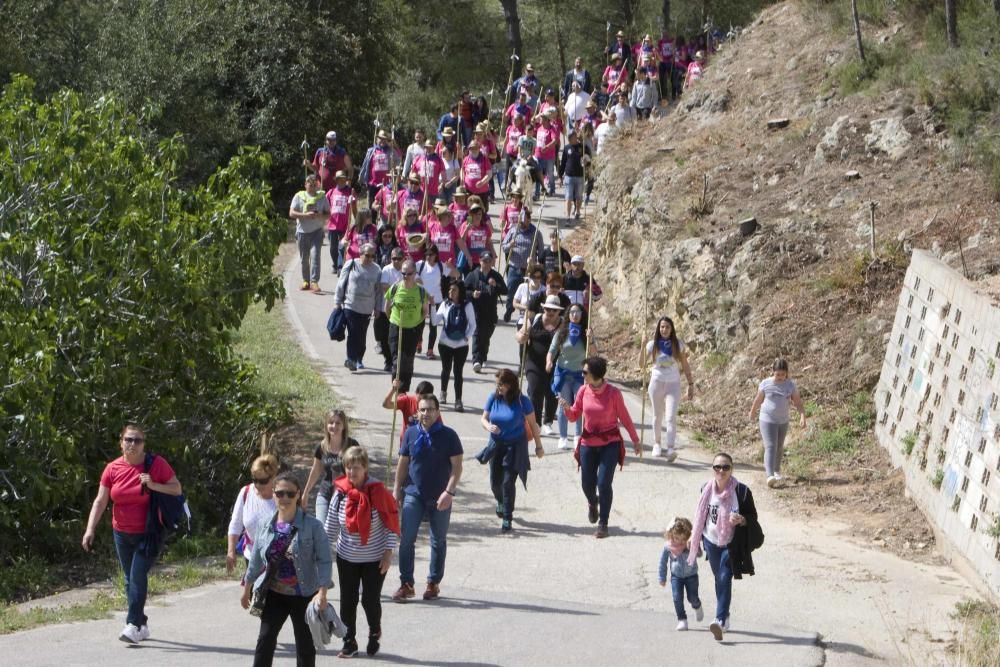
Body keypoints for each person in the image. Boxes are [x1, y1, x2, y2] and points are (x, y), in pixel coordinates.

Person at [82, 424, 183, 643]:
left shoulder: (156, 464)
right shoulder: (112, 468)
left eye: (137, 440)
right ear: (121, 442)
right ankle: (142, 623)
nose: (132, 444)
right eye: (128, 439)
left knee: (137, 576)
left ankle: (133, 624)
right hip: (121, 532)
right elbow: (101, 501)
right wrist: (90, 529)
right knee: (129, 580)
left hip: (149, 532)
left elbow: (177, 489)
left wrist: (154, 484)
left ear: (144, 444)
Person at [242, 472, 332, 667]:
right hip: (275, 594)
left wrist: (322, 593)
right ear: (273, 494)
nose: (285, 498)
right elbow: (256, 559)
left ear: (298, 495)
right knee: (265, 640)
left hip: (305, 594)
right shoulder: (266, 524)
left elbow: (324, 561)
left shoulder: (313, 526)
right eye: (280, 493)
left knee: (305, 646)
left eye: (290, 494)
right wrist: (247, 587)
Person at [324, 446, 399, 658]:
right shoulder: (339, 494)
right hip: (347, 556)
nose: (351, 472)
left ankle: (374, 631)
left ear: (365, 468)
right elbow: (330, 528)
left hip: (374, 558)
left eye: (356, 467)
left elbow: (392, 523)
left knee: (369, 599)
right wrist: (320, 553)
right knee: (348, 600)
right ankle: (350, 641)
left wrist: (388, 553)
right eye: (348, 468)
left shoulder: (378, 492)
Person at [392, 395, 463, 602]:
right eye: (422, 410)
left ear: (438, 412)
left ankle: (433, 582)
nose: (426, 413)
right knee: (406, 539)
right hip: (414, 493)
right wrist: (396, 489)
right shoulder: (411, 433)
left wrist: (449, 492)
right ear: (417, 412)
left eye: (430, 409)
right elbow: (403, 464)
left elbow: (457, 467)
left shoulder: (449, 436)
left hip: (440, 495)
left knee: (438, 540)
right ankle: (407, 583)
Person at [559, 356, 640, 538]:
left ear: (596, 374)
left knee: (604, 483)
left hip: (610, 443)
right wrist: (566, 408)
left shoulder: (613, 393)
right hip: (588, 442)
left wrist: (635, 440)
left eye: (585, 372)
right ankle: (592, 502)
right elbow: (574, 416)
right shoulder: (583, 391)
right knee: (587, 484)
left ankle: (603, 523)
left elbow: (625, 418)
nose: (582, 375)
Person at [688, 453, 760, 641]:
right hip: (711, 541)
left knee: (723, 576)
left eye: (725, 467)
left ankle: (719, 620)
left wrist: (742, 519)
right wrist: (692, 537)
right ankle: (725, 615)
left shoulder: (742, 492)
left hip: (731, 543)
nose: (721, 471)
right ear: (712, 469)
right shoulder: (706, 489)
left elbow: (753, 517)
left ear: (732, 469)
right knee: (719, 579)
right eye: (717, 467)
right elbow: (700, 517)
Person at [479, 368, 544, 533]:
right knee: (495, 482)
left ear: (510, 385)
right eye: (497, 384)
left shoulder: (523, 402)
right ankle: (500, 501)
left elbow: (533, 425)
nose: (498, 388)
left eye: (501, 385)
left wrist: (538, 446)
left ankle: (507, 517)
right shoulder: (493, 398)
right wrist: (488, 426)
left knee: (508, 482)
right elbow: (483, 418)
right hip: (496, 444)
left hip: (515, 446)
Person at [643, 316, 695, 460]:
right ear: (658, 329)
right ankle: (657, 444)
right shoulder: (652, 345)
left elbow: (685, 365)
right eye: (662, 327)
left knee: (671, 416)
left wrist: (690, 384)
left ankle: (671, 448)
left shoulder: (678, 345)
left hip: (673, 384)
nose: (664, 329)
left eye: (667, 327)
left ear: (671, 329)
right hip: (656, 383)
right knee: (657, 415)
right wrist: (642, 346)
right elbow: (641, 364)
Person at [749, 358, 806, 488]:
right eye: (777, 374)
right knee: (770, 446)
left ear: (786, 373)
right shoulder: (766, 384)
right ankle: (770, 475)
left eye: (782, 374)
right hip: (767, 418)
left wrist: (802, 415)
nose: (780, 377)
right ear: (773, 372)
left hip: (783, 420)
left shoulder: (790, 385)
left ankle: (776, 470)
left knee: (779, 446)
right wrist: (752, 412)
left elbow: (797, 402)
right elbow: (758, 400)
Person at [302, 409, 360, 524]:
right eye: (331, 422)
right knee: (322, 529)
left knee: (345, 533)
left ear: (344, 426)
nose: (334, 426)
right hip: (325, 493)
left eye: (338, 423)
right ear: (326, 425)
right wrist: (306, 492)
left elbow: (361, 470)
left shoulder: (352, 445)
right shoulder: (322, 447)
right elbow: (316, 470)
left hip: (346, 496)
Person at [516, 294, 563, 436]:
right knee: (535, 390)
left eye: (553, 310)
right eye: (548, 309)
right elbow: (519, 335)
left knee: (552, 392)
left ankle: (548, 421)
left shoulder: (563, 324)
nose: (550, 312)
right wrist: (522, 336)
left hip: (555, 363)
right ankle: (536, 422)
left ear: (558, 312)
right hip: (534, 361)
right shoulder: (534, 319)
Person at [227, 454, 279, 578]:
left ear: (274, 477)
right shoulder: (246, 493)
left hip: (277, 559)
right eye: (255, 480)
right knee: (253, 596)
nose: (258, 485)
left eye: (263, 481)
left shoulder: (283, 495)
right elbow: (235, 524)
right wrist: (231, 551)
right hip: (251, 557)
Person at [334, 242, 382, 371]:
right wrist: (337, 301)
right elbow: (341, 283)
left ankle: (359, 358)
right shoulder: (351, 264)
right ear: (360, 254)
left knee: (361, 336)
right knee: (353, 333)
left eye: (373, 256)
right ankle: (351, 359)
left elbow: (378, 291)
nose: (370, 258)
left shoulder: (377, 269)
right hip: (351, 305)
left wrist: (378, 308)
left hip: (366, 309)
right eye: (367, 255)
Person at [549, 303, 591, 450]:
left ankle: (578, 435)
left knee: (579, 407)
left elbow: (594, 353)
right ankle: (563, 436)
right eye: (572, 312)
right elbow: (552, 350)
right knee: (564, 406)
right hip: (563, 373)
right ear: (568, 314)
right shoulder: (561, 332)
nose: (575, 314)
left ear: (582, 315)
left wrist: (590, 339)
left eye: (578, 312)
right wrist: (549, 361)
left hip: (580, 375)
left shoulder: (586, 333)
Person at [431, 279, 476, 411]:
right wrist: (433, 305)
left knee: (458, 372)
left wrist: (466, 338)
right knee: (446, 370)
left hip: (461, 346)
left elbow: (473, 325)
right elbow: (434, 321)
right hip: (445, 344)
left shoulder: (467, 306)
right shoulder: (445, 304)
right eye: (450, 289)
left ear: (460, 292)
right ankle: (443, 393)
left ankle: (458, 400)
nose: (451, 292)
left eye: (454, 290)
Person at [385, 259, 429, 392]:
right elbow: (387, 308)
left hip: (413, 329)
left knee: (408, 360)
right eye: (403, 273)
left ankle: (404, 391)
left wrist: (415, 323)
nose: (406, 276)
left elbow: (425, 312)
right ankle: (395, 389)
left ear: (415, 273)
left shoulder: (421, 291)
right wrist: (395, 321)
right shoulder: (395, 288)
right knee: (396, 361)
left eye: (409, 274)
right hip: (396, 327)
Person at [464, 251, 507, 372]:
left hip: (491, 311)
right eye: (484, 261)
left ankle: (482, 356)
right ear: (480, 261)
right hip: (476, 310)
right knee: (477, 335)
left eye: (489, 261)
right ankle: (476, 360)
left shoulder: (496, 275)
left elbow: (505, 290)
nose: (487, 263)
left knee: (486, 336)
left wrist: (496, 285)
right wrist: (472, 294)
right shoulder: (473, 275)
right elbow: (463, 290)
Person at [658, 517, 703, 631]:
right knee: (677, 597)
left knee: (692, 597)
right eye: (677, 538)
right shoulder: (668, 546)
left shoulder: (689, 544)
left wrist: (693, 546)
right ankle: (682, 620)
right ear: (672, 535)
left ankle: (697, 606)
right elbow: (662, 562)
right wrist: (662, 577)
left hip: (691, 575)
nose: (680, 541)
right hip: (676, 577)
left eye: (683, 538)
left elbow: (699, 554)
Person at [289, 174, 330, 293]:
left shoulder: (322, 197)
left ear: (317, 185)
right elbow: (291, 213)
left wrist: (320, 216)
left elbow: (329, 214)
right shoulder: (298, 196)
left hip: (317, 231)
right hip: (302, 232)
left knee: (315, 256)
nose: (311, 187)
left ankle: (314, 282)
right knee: (304, 258)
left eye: (314, 185)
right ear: (305, 185)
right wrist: (304, 215)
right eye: (309, 185)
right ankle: (305, 281)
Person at [500, 212, 543, 322]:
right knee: (511, 290)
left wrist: (536, 262)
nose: (522, 223)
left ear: (529, 220)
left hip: (528, 269)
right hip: (514, 267)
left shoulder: (536, 233)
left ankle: (525, 314)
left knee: (526, 293)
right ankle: (509, 309)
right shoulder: (513, 231)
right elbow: (504, 247)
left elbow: (541, 252)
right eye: (520, 220)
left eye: (524, 220)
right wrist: (510, 245)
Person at [415, 242, 448, 358]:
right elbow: (410, 272)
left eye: (431, 254)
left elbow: (456, 274)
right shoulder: (420, 265)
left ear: (436, 255)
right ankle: (418, 342)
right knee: (419, 324)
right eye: (426, 254)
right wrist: (417, 279)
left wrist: (451, 266)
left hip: (436, 300)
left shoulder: (441, 266)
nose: (428, 256)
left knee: (433, 325)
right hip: (422, 299)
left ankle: (430, 350)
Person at [375, 248, 405, 371]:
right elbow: (384, 287)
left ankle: (395, 361)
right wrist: (401, 291)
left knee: (396, 339)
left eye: (398, 258)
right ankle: (388, 361)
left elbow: (417, 281)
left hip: (400, 310)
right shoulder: (386, 269)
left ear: (403, 259)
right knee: (384, 337)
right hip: (386, 308)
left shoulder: (406, 270)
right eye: (393, 258)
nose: (396, 261)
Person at [383, 379, 436, 447]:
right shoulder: (407, 400)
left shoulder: (433, 407)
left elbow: (439, 426)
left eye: (424, 400)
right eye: (419, 399)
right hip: (407, 442)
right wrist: (393, 390)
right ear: (416, 393)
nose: (421, 403)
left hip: (424, 444)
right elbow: (386, 405)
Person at [360, 130, 399, 205]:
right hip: (373, 183)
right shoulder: (371, 151)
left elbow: (398, 160)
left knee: (384, 206)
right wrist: (362, 178)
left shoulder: (391, 151)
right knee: (372, 206)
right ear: (377, 138)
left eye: (384, 139)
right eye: (380, 138)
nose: (382, 140)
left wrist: (394, 169)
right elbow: (365, 165)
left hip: (386, 184)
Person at [558, 130, 591, 220]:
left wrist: (586, 162)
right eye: (568, 137)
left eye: (570, 137)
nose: (568, 139)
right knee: (568, 197)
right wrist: (560, 176)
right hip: (569, 176)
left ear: (575, 137)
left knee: (579, 196)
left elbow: (589, 159)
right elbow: (563, 162)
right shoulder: (566, 148)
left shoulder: (583, 147)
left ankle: (578, 211)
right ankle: (568, 216)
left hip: (580, 176)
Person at [458, 200, 496, 274]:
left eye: (479, 214)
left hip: (483, 261)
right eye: (475, 214)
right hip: (469, 261)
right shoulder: (465, 225)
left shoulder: (485, 227)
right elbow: (461, 242)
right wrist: (466, 230)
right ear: (471, 215)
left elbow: (489, 242)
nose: (478, 216)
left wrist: (493, 255)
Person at [532, 112, 559, 200]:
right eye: (541, 118)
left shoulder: (552, 129)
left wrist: (547, 147)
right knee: (538, 174)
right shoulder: (539, 128)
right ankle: (537, 193)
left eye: (542, 118)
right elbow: (531, 133)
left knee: (550, 173)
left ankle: (552, 189)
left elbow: (555, 140)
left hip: (549, 156)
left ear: (547, 120)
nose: (541, 120)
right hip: (538, 155)